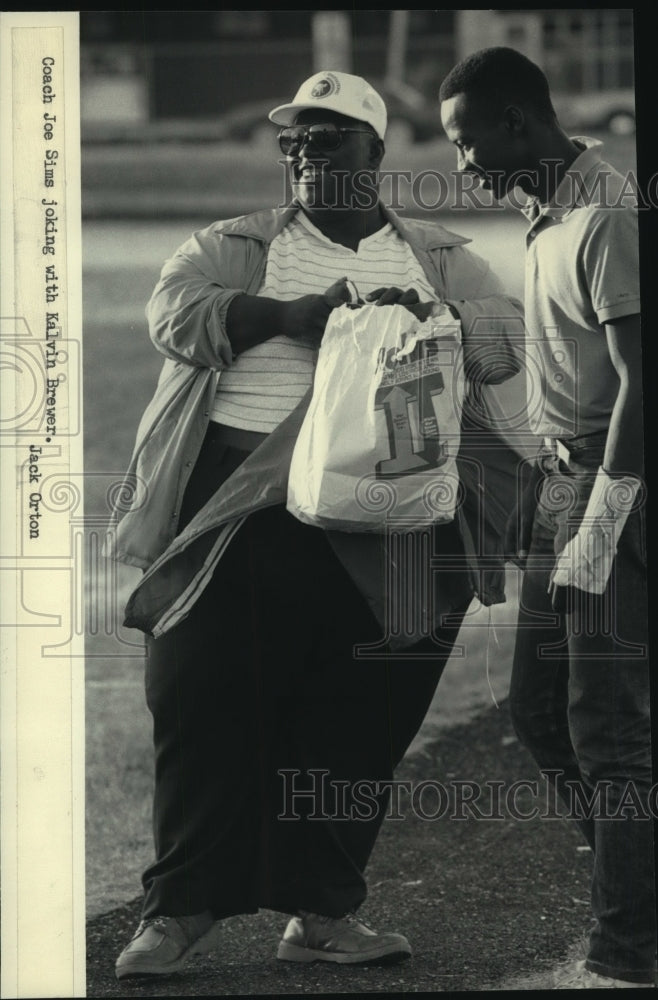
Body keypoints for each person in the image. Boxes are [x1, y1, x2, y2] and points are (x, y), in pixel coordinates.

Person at [107, 70, 524, 980]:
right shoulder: (237, 245)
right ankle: (180, 909)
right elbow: (175, 314)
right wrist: (287, 316)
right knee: (199, 701)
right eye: (294, 138)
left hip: (395, 515)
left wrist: (438, 325)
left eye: (329, 136)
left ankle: (324, 913)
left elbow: (501, 344)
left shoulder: (440, 256)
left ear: (378, 151)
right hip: (241, 502)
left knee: (362, 717)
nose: (305, 151)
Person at [439, 47, 654, 988]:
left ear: (518, 124)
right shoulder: (543, 211)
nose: (462, 166)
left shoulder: (607, 213)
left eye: (467, 142)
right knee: (538, 709)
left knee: (607, 726)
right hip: (561, 486)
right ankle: (636, 887)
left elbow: (645, 382)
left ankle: (631, 947)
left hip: (613, 486)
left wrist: (604, 517)